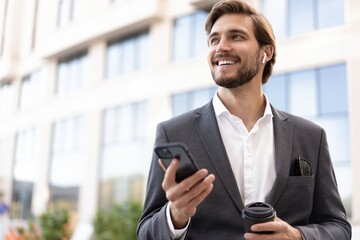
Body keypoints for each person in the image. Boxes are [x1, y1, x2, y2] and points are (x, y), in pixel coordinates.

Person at [137, 0, 352, 239]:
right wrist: (176, 214)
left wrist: (297, 236)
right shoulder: (174, 132)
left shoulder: (310, 136)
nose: (221, 47)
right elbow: (146, 232)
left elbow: (338, 227)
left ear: (266, 52)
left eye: (236, 37)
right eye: (214, 40)